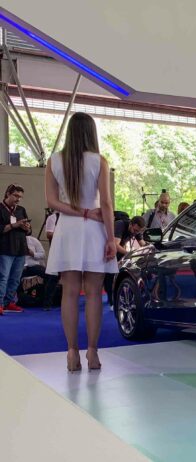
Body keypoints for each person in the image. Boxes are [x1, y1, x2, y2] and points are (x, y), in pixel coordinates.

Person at [45, 112, 118, 372]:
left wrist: (79, 212)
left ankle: (71, 352)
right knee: (95, 293)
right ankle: (93, 352)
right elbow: (106, 203)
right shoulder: (100, 161)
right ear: (91, 132)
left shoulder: (54, 161)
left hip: (67, 229)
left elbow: (52, 202)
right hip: (95, 229)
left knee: (70, 292)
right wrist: (111, 238)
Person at [0, 184, 31, 315]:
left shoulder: (21, 210)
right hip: (5, 249)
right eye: (16, 196)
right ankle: (0, 304)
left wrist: (26, 228)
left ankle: (9, 302)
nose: (18, 199)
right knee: (3, 277)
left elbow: (29, 231)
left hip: (20, 249)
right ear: (8, 194)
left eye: (20, 197)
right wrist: (15, 225)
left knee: (15, 278)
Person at [104, 216, 146, 307]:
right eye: (135, 230)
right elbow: (115, 245)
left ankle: (116, 297)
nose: (135, 233)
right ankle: (111, 302)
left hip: (119, 249)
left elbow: (143, 244)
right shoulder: (120, 225)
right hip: (107, 248)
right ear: (130, 224)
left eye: (138, 231)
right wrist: (129, 253)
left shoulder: (136, 230)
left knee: (118, 272)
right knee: (110, 274)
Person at [17, 234, 47, 308]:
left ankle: (45, 298)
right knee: (15, 277)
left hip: (33, 265)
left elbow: (43, 255)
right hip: (20, 266)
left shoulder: (33, 240)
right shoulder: (13, 241)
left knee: (49, 275)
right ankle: (20, 299)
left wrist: (33, 254)